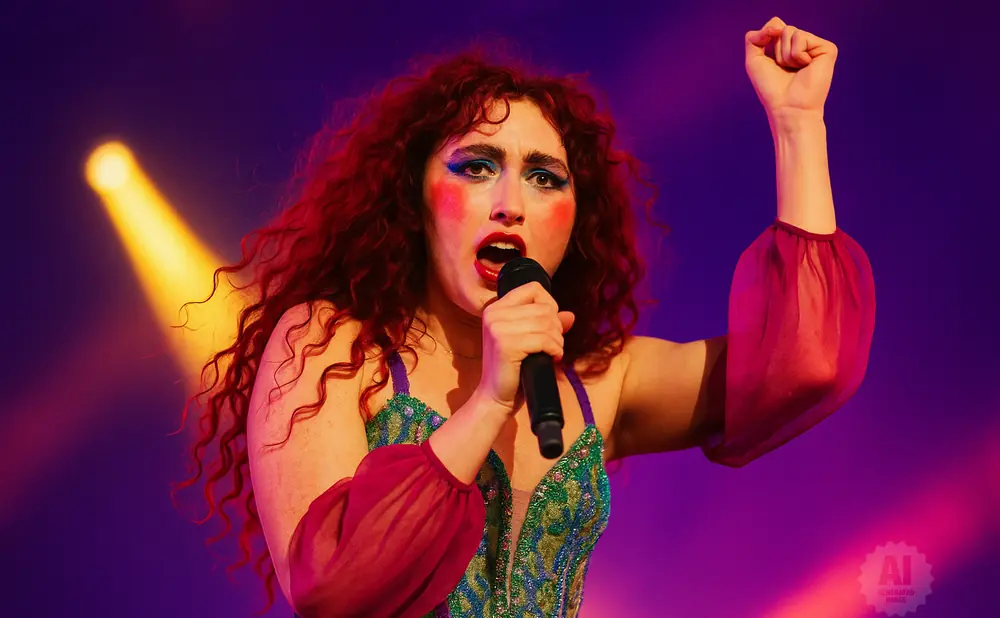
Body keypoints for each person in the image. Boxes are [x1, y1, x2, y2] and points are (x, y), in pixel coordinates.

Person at [176, 16, 875, 618]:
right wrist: (489, 400)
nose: (510, 203)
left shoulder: (601, 379)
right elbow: (333, 586)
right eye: (477, 167)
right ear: (414, 198)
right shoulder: (330, 343)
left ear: (575, 220)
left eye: (544, 177)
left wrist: (798, 126)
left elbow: (803, 364)